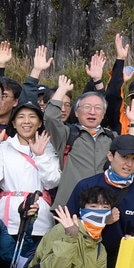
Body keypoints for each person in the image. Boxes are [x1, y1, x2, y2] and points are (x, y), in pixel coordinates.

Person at [65, 134, 134, 268]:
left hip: (118, 261)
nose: (129, 164)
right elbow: (67, 222)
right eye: (124, 157)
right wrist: (102, 219)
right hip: (82, 257)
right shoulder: (87, 185)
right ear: (110, 155)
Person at [0, 104, 60, 238]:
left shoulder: (48, 148)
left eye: (32, 117)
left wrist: (40, 156)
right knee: (5, 257)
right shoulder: (2, 147)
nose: (26, 121)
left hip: (39, 218)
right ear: (13, 123)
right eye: (20, 117)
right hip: (6, 217)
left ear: (40, 122)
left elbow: (52, 181)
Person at [46, 72, 116, 207]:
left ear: (103, 114)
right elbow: (50, 118)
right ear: (76, 112)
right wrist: (61, 91)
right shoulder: (67, 134)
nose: (92, 112)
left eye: (98, 108)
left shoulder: (111, 137)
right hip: (69, 206)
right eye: (87, 107)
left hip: (103, 207)